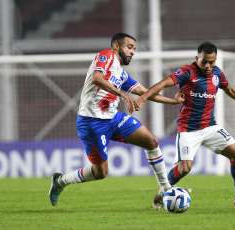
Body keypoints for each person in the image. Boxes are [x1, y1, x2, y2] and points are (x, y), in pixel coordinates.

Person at [48, 33, 184, 209]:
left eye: (134, 49)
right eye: (129, 47)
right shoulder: (106, 55)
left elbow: (146, 92)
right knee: (100, 172)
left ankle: (165, 189)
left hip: (113, 118)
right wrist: (123, 95)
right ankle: (60, 181)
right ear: (117, 46)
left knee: (151, 141)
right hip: (92, 122)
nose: (132, 52)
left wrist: (173, 101)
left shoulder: (121, 74)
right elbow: (97, 78)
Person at [134, 42, 235, 209]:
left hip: (210, 127)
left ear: (215, 60)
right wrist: (142, 98)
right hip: (188, 129)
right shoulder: (187, 71)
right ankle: (161, 193)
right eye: (204, 61)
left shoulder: (217, 73)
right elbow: (162, 84)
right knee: (184, 169)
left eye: (211, 62)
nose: (207, 66)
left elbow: (230, 90)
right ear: (197, 58)